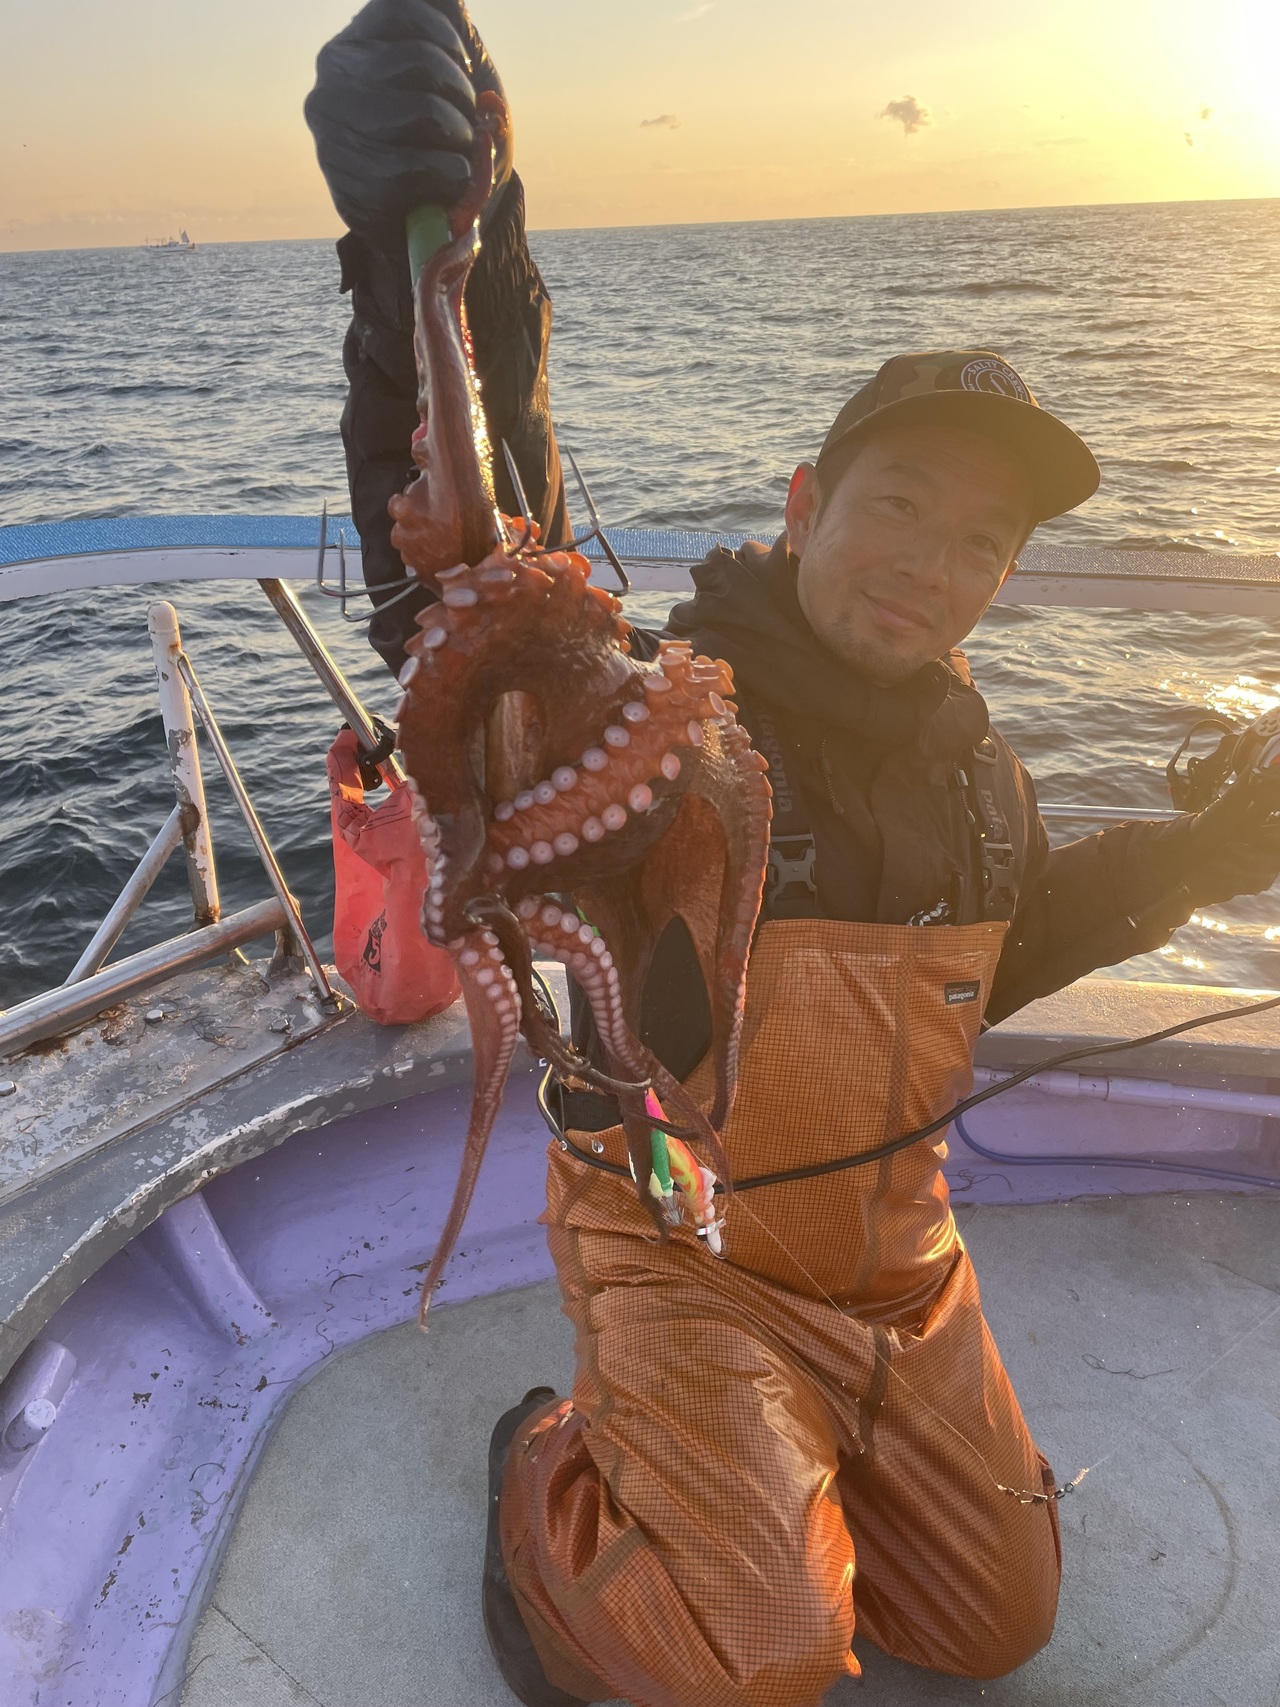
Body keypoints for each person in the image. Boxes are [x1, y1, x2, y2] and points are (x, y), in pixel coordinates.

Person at [306, 8, 1280, 1704]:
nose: (931, 563)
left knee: (997, 1629)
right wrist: (444, 260)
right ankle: (552, 1461)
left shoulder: (980, 774)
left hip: (898, 1274)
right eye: (898, 505)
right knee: (753, 1659)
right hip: (683, 1254)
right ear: (807, 498)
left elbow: (1009, 948)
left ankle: (784, 1463)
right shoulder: (675, 715)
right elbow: (480, 549)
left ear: (1005, 577)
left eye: (980, 539)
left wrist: (1212, 846)